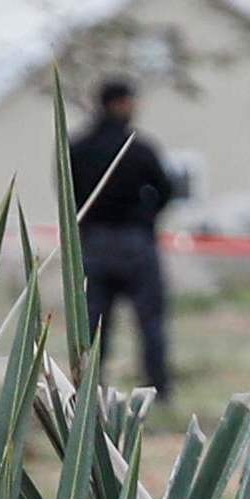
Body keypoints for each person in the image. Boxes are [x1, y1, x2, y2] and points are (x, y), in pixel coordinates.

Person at [68, 77, 180, 404]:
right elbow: (167, 190)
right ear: (119, 103)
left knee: (91, 325)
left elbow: (68, 193)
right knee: (151, 321)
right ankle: (158, 390)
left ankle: (86, 390)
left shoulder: (78, 148)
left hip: (93, 244)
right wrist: (145, 218)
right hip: (135, 244)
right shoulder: (139, 148)